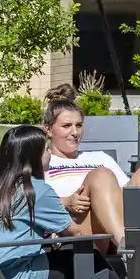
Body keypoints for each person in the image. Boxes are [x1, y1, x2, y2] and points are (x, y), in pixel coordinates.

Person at [0, 125, 97, 279]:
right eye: (46, 149)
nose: (50, 153)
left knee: (65, 259)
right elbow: (75, 234)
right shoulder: (36, 190)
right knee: (93, 262)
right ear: (34, 157)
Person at [42, 85, 131, 245]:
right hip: (75, 235)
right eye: (66, 126)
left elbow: (129, 193)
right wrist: (65, 202)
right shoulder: (41, 163)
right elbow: (23, 200)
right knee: (100, 176)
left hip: (113, 229)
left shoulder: (100, 157)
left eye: (79, 125)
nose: (75, 132)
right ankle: (128, 251)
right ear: (48, 129)